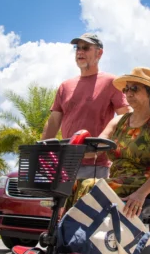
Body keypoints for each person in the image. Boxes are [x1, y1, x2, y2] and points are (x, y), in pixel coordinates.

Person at [68, 67, 150, 219]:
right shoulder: (119, 121)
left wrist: (140, 194)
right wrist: (73, 148)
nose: (129, 93)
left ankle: (81, 235)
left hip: (148, 182)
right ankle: (67, 234)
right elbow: (96, 147)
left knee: (90, 186)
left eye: (135, 89)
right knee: (74, 186)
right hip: (119, 179)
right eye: (127, 89)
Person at [42, 33, 130, 179]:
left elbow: (125, 117)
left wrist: (107, 146)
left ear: (99, 53)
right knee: (63, 203)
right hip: (66, 165)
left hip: (96, 166)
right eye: (78, 48)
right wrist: (41, 151)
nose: (80, 52)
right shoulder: (65, 86)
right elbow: (53, 121)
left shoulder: (111, 82)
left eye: (86, 48)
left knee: (88, 203)